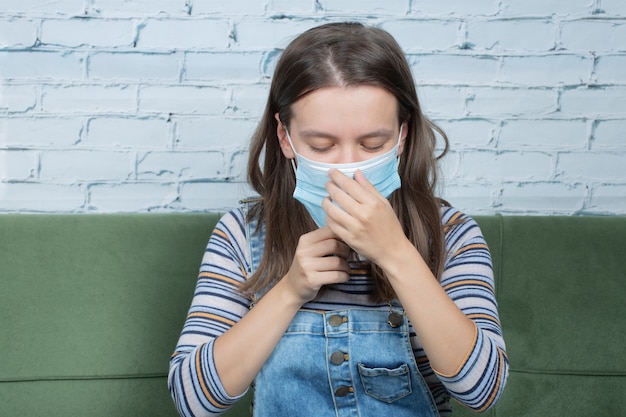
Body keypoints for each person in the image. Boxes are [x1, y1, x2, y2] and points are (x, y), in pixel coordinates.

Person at [168, 22, 508, 417]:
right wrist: (289, 290)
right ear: (285, 137)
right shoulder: (243, 235)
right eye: (321, 145)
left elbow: (482, 391)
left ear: (402, 135)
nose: (347, 167)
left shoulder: (453, 235)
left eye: (372, 144)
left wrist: (397, 255)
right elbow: (193, 400)